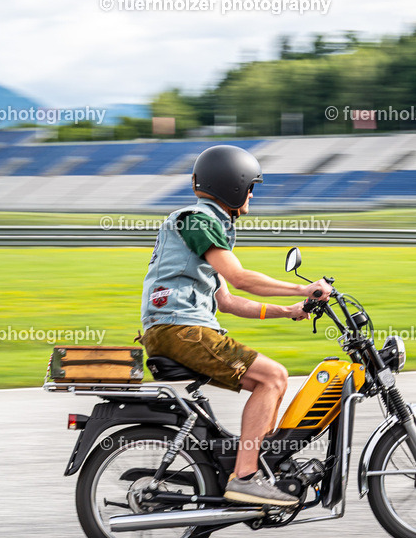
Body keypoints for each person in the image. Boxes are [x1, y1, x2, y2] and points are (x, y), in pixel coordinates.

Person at [139, 145, 331, 507]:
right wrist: (304, 287)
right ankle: (245, 477)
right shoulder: (198, 219)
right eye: (250, 186)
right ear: (233, 185)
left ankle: (258, 465)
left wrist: (289, 310)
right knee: (272, 377)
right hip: (181, 329)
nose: (252, 195)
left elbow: (227, 301)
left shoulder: (203, 225)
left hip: (176, 328)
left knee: (272, 379)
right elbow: (240, 278)